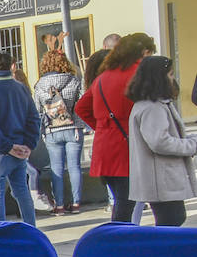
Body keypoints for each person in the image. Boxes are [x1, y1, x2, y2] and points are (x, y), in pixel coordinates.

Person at [76, 33, 155, 222]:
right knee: (127, 202)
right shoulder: (138, 73)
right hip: (127, 147)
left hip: (105, 148)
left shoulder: (104, 77)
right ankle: (120, 240)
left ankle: (121, 238)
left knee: (122, 201)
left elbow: (81, 107)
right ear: (143, 52)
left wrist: (103, 126)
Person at [126, 54, 197, 226]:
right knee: (172, 220)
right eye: (170, 74)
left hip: (161, 178)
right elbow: (160, 142)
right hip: (161, 180)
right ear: (159, 77)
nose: (173, 79)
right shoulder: (153, 107)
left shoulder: (151, 104)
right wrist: (191, 145)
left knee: (173, 219)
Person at [0, 51, 40, 225]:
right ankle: (31, 229)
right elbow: (33, 119)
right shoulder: (21, 89)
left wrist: (6, 146)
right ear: (11, 66)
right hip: (19, 150)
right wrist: (28, 145)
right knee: (21, 191)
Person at [34, 49, 85, 215]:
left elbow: (37, 110)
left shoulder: (39, 85)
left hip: (52, 130)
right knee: (74, 167)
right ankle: (76, 204)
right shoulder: (74, 80)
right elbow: (82, 103)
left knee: (56, 168)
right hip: (73, 128)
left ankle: (60, 206)